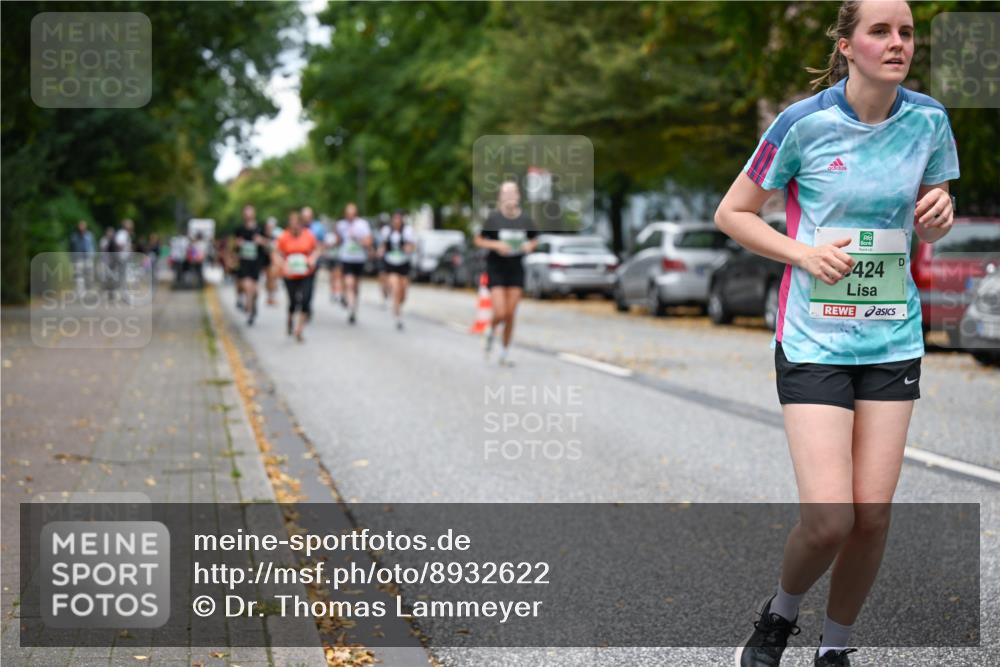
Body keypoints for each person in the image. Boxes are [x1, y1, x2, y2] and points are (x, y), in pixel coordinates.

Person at [715, 3, 960, 666]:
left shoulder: (930, 120)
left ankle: (835, 648)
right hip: (814, 339)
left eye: (906, 31)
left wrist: (940, 213)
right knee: (831, 519)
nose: (897, 42)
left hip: (891, 337)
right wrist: (802, 253)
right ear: (847, 45)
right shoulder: (803, 123)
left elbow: (931, 218)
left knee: (872, 515)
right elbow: (732, 213)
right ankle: (778, 616)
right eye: (880, 30)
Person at [474, 180, 538, 366]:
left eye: (513, 193)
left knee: (510, 314)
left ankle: (504, 352)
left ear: (518, 196)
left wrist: (528, 246)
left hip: (515, 269)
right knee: (500, 312)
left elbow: (534, 240)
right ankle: (490, 330)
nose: (509, 197)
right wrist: (496, 245)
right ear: (500, 197)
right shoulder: (493, 219)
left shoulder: (525, 220)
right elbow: (478, 240)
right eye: (506, 193)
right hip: (496, 269)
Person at [274, 210, 320, 342]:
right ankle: (290, 319)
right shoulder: (283, 237)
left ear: (301, 224)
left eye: (297, 223)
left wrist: (312, 259)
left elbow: (317, 249)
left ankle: (299, 330)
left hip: (306, 273)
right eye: (292, 223)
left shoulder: (308, 235)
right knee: (293, 301)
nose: (294, 226)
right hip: (290, 275)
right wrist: (283, 264)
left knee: (305, 300)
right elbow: (276, 253)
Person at [334, 202, 373, 325]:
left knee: (355, 286)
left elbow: (368, 241)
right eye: (347, 214)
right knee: (348, 283)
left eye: (352, 213)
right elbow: (338, 240)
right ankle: (349, 305)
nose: (350, 216)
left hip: (359, 259)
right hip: (346, 258)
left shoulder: (363, 224)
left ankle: (353, 309)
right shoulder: (340, 225)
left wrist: (357, 238)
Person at [377, 209, 416, 330]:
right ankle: (398, 316)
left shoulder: (408, 231)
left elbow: (412, 246)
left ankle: (397, 305)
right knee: (396, 287)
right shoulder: (387, 231)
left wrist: (409, 248)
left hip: (403, 263)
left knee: (403, 293)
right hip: (391, 263)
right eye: (395, 219)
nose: (397, 221)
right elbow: (382, 246)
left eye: (399, 219)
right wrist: (380, 251)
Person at [235, 204, 268, 325]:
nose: (248, 214)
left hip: (257, 262)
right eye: (246, 212)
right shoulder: (239, 229)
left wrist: (261, 241)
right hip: (244, 262)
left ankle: (252, 307)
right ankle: (248, 308)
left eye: (250, 212)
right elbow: (234, 246)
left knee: (254, 290)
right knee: (247, 286)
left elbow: (268, 244)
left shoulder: (260, 228)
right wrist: (238, 244)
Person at [69, 220, 96, 292]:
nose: (81, 228)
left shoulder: (89, 235)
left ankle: (89, 288)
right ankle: (80, 291)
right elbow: (71, 248)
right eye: (80, 226)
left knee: (89, 275)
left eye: (83, 226)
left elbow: (92, 246)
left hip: (88, 258)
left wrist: (93, 255)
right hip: (78, 258)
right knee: (79, 275)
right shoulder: (74, 236)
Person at [263, 217, 280, 305]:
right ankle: (269, 296)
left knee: (273, 278)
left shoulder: (276, 235)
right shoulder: (263, 234)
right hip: (265, 259)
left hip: (273, 259)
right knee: (268, 278)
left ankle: (272, 296)